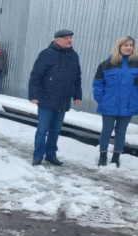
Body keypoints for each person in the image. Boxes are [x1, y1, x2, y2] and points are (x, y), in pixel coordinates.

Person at [28, 29, 82, 166]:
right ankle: (38, 156)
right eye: (66, 38)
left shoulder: (73, 55)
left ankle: (51, 155)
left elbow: (77, 78)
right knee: (42, 130)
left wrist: (77, 95)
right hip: (47, 98)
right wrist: (33, 95)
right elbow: (36, 75)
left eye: (71, 38)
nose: (69, 40)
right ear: (57, 39)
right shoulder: (47, 54)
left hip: (63, 100)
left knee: (56, 130)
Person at [93, 36, 138, 167]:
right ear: (119, 47)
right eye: (125, 45)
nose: (129, 48)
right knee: (106, 131)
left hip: (129, 105)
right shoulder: (106, 65)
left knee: (121, 132)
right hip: (109, 105)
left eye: (131, 45)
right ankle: (103, 156)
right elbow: (98, 84)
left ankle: (116, 157)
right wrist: (101, 99)